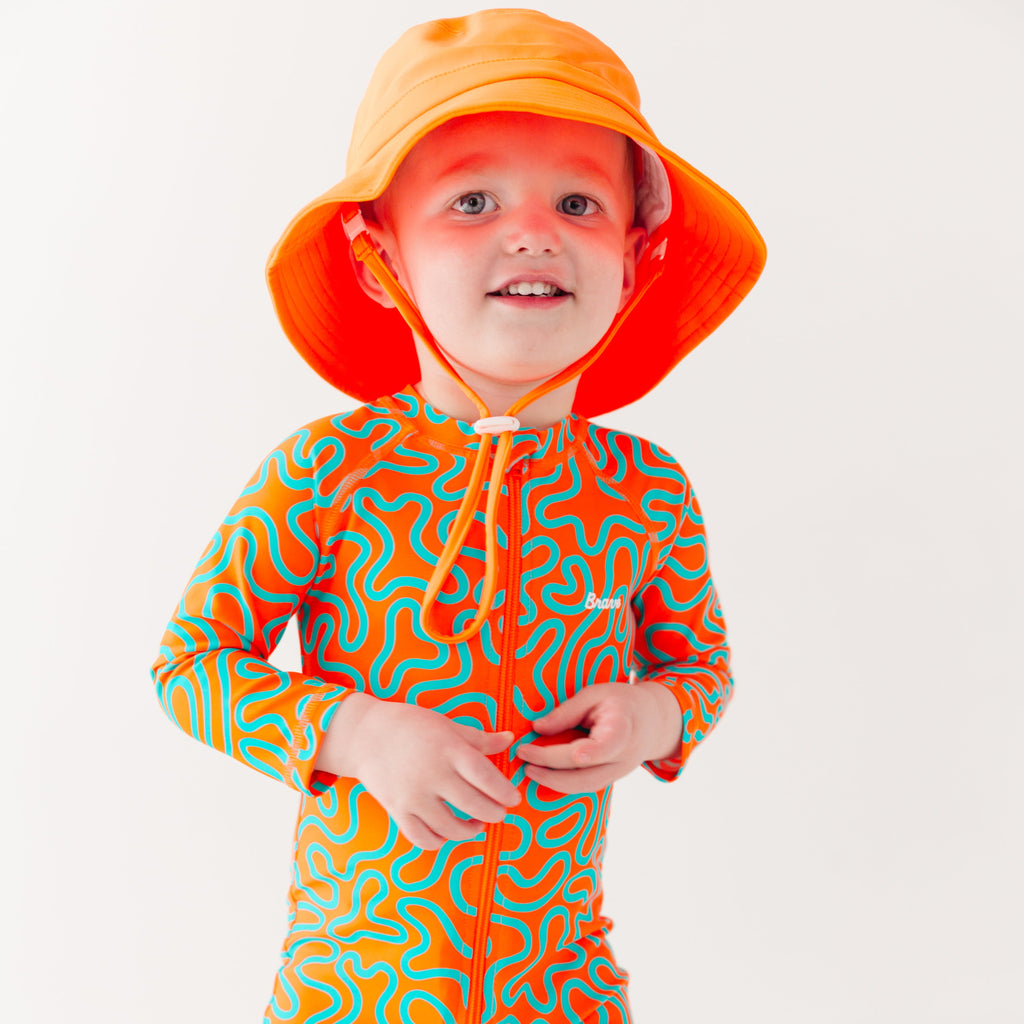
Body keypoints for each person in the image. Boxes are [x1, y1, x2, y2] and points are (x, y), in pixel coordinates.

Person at [151, 9, 766, 1023]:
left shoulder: (646, 489)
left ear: (631, 262)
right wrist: (354, 730)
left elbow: (699, 667)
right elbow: (190, 664)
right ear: (377, 259)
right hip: (356, 991)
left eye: (578, 201)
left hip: (562, 987)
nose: (533, 231)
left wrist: (655, 716)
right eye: (473, 200)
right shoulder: (328, 470)